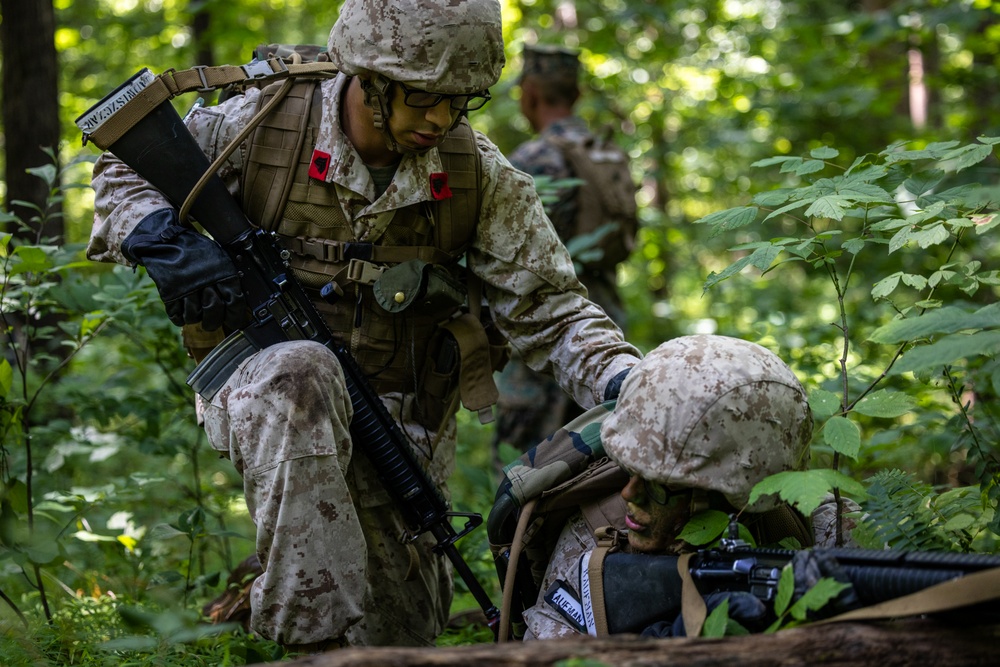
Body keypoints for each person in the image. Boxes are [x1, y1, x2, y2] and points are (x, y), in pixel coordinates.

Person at [85, 0, 641, 652]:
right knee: (302, 376)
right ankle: (310, 647)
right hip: (259, 376)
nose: (440, 119)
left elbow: (549, 309)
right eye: (422, 98)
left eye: (460, 101)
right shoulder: (267, 122)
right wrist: (160, 240)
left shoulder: (473, 171)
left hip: (396, 414)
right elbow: (124, 166)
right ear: (370, 77)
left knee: (397, 633)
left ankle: (287, 605)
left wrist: (628, 379)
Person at [520, 335, 858, 640]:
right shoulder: (593, 539)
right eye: (629, 471)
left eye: (659, 486)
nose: (628, 494)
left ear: (731, 494)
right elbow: (543, 649)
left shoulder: (813, 520)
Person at [493, 45, 638, 462]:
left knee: (529, 470)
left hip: (547, 340)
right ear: (576, 95)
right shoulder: (606, 153)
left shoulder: (534, 159)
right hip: (606, 326)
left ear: (531, 93)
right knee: (599, 465)